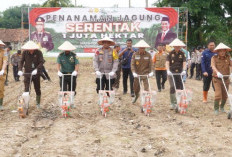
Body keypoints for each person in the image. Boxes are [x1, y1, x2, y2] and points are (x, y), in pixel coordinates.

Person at [18, 41, 44, 108]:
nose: (30, 50)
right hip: (27, 73)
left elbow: (41, 62)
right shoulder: (25, 53)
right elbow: (21, 61)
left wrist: (36, 69)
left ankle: (38, 103)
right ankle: (26, 104)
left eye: (32, 48)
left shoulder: (38, 52)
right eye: (29, 49)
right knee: (26, 89)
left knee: (37, 88)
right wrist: (20, 70)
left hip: (36, 74)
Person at [211, 43, 232, 115]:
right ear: (218, 51)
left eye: (224, 51)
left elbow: (231, 65)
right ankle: (216, 109)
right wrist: (217, 72)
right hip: (217, 78)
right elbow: (213, 66)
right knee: (218, 94)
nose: (222, 52)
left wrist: (231, 73)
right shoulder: (214, 58)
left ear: (226, 51)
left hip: (226, 78)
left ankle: (222, 107)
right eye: (221, 51)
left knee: (225, 95)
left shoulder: (228, 57)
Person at [166, 38, 186, 109]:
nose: (177, 47)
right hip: (171, 73)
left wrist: (184, 70)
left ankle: (179, 101)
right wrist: (168, 70)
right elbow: (167, 62)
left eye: (178, 46)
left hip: (179, 73)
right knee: (172, 86)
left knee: (179, 87)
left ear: (180, 46)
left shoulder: (183, 54)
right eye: (176, 46)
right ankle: (172, 103)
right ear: (173, 46)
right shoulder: (170, 53)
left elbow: (184, 63)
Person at [0, 40, 7, 110]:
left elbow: (5, 61)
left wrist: (2, 70)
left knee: (0, 88)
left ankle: (0, 104)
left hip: (1, 73)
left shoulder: (4, 52)